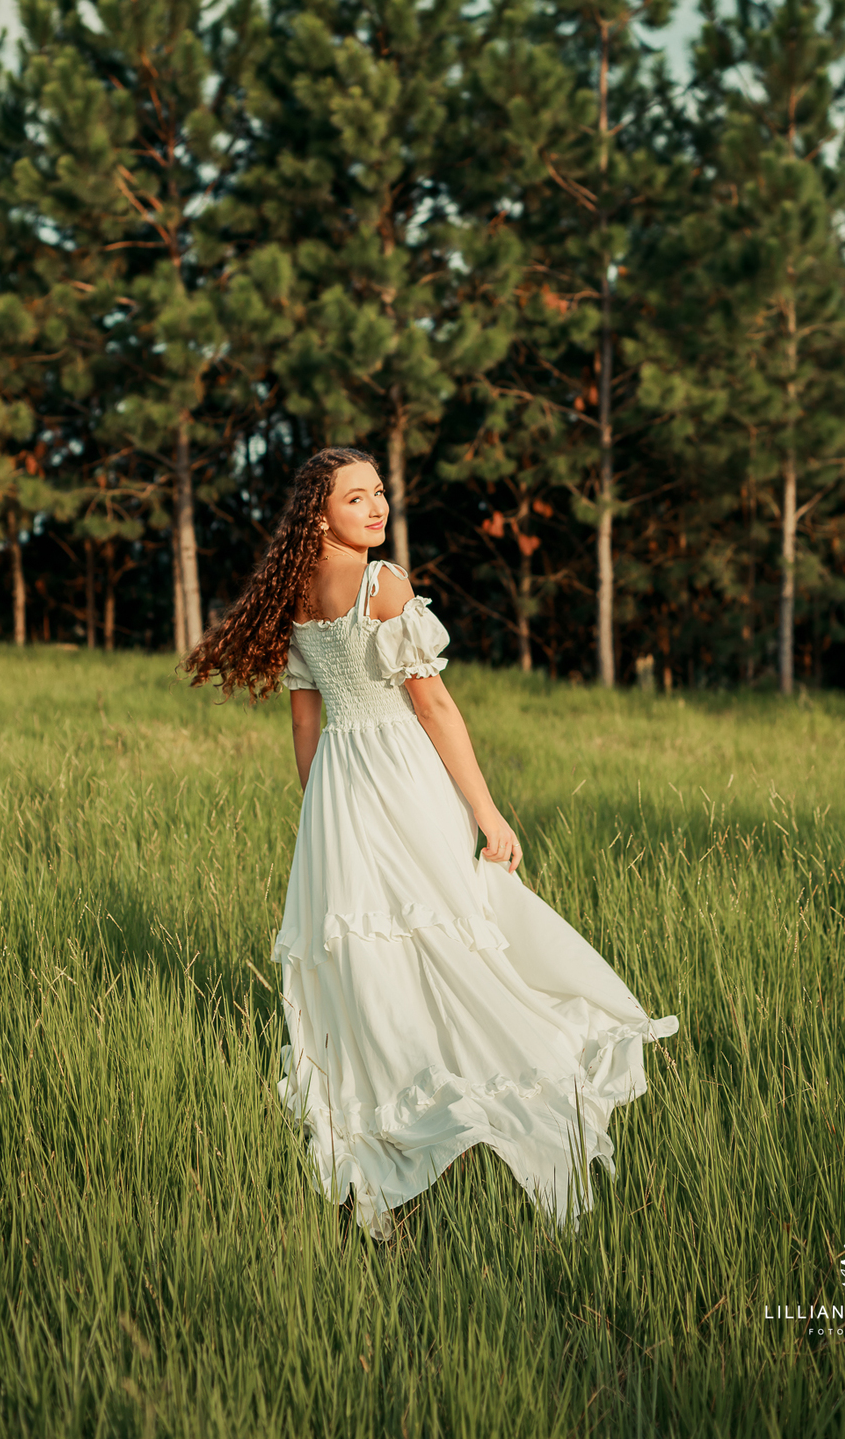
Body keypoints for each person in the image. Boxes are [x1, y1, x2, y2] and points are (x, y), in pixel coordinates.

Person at [185, 446, 678, 1240]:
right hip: (403, 777)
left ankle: (397, 1100)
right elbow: (436, 708)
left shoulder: (294, 597)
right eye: (356, 498)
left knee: (374, 949)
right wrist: (489, 813)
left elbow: (305, 727)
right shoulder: (383, 585)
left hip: (340, 793)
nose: (377, 508)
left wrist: (323, 818)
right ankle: (492, 1075)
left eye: (379, 493)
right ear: (320, 514)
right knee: (450, 930)